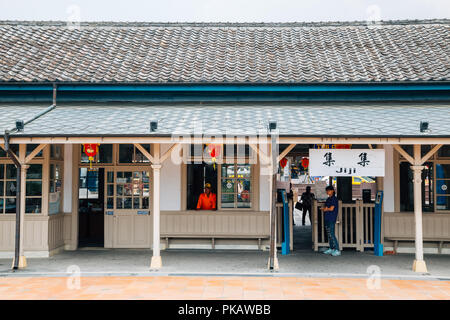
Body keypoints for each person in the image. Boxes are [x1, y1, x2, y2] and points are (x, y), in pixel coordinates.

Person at [322, 185, 341, 256]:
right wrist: (325, 209)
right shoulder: (328, 199)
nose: (327, 192)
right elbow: (326, 207)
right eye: (327, 190)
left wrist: (326, 209)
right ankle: (331, 248)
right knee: (329, 234)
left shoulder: (334, 199)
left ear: (333, 191)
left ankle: (337, 249)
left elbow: (331, 208)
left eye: (329, 190)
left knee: (332, 234)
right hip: (327, 217)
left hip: (331, 218)